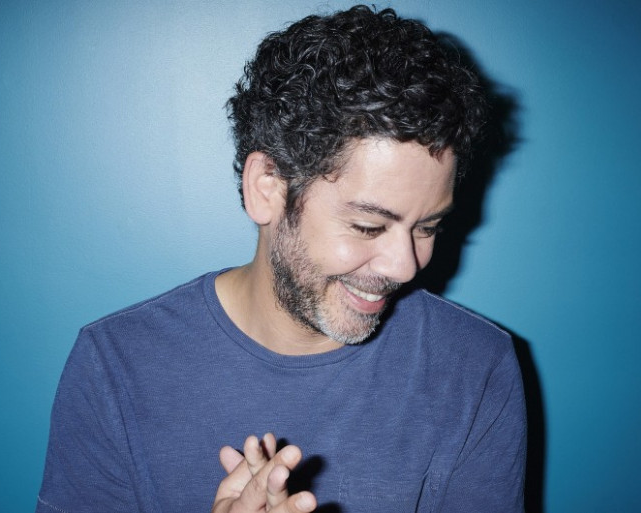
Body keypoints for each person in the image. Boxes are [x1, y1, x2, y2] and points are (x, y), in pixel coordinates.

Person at [36, 5, 526, 513]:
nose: (405, 267)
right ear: (267, 187)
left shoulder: (474, 368)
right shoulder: (116, 366)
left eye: (427, 228)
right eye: (368, 226)